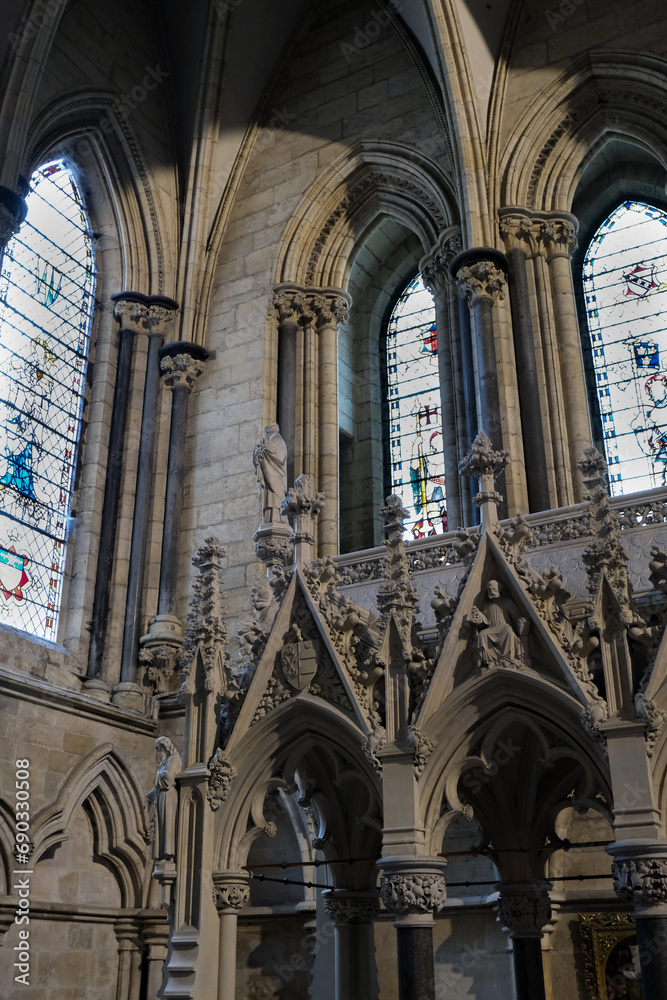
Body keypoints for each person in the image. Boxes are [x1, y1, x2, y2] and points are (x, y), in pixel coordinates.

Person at [467, 579, 528, 670]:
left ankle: (509, 659)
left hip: (504, 627)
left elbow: (516, 616)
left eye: (494, 589)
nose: (491, 591)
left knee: (508, 632)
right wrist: (479, 618)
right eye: (489, 590)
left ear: (499, 589)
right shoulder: (486, 606)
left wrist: (521, 622)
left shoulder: (507, 602)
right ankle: (490, 661)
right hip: (492, 628)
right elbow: (485, 623)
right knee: (482, 634)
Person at [146, 736, 182, 861]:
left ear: (163, 748)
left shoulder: (174, 758)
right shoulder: (166, 761)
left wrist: (157, 774)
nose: (157, 753)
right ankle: (162, 853)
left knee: (168, 822)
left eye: (158, 749)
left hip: (169, 795)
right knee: (160, 823)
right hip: (161, 795)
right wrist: (149, 796)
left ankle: (169, 853)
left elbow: (167, 778)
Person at [253, 423, 288, 523]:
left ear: (270, 432)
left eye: (266, 433)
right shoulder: (275, 439)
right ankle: (272, 518)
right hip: (273, 476)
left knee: (275, 497)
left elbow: (270, 450)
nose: (266, 436)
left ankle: (275, 518)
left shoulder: (276, 438)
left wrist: (260, 449)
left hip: (275, 476)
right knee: (271, 498)